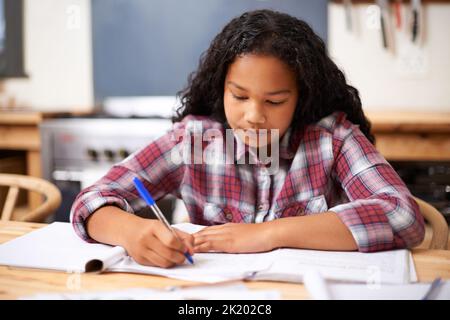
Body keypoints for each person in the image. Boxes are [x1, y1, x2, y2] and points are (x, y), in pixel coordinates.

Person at [70, 9, 425, 268]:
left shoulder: (333, 140)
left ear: (303, 96)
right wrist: (131, 232)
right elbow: (92, 201)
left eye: (274, 101)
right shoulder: (194, 141)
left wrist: (270, 233)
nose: (254, 115)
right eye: (239, 96)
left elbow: (403, 216)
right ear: (220, 87)